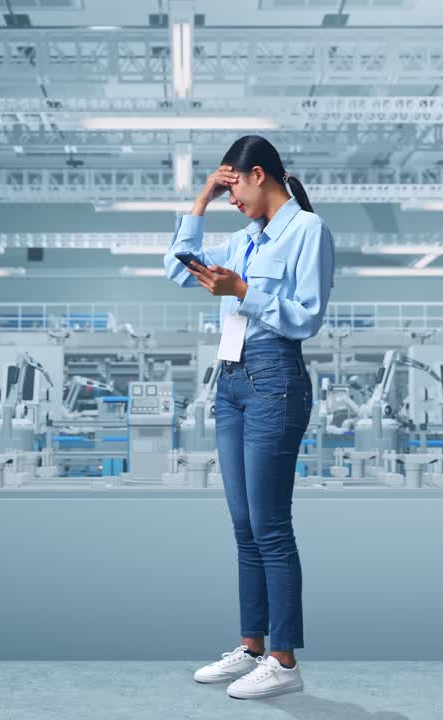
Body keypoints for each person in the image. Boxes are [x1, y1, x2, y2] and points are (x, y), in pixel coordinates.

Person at [163, 135, 335, 700]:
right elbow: (177, 270)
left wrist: (245, 293)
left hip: (274, 379)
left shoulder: (308, 231)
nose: (232, 200)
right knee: (243, 526)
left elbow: (307, 317)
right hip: (232, 379)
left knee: (271, 527)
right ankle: (252, 647)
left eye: (234, 188)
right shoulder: (245, 239)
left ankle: (284, 661)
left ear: (258, 175)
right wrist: (201, 201)